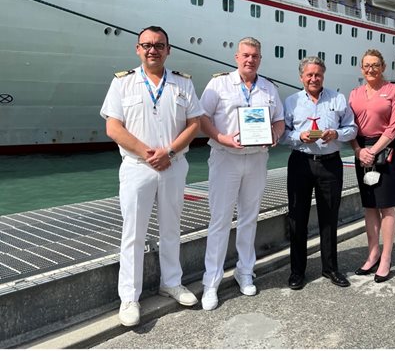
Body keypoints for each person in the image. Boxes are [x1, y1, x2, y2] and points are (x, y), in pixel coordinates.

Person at [100, 26, 202, 327]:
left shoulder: (183, 84)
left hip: (172, 165)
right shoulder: (123, 83)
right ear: (137, 49)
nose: (152, 50)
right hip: (137, 167)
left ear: (168, 50)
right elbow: (113, 128)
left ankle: (171, 282)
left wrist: (168, 152)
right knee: (133, 233)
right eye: (146, 45)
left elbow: (194, 123)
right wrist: (149, 153)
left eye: (159, 45)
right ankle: (129, 297)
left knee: (172, 227)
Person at [198, 37, 284, 310]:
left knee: (250, 218)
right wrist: (222, 138)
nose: (250, 60)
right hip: (226, 158)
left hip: (257, 159)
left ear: (260, 59)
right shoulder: (218, 84)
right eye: (245, 55)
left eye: (255, 56)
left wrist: (275, 135)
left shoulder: (268, 88)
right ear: (236, 57)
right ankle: (211, 282)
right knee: (220, 220)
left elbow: (279, 120)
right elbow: (202, 118)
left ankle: (244, 271)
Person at [281, 56, 357, 290]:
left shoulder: (338, 98)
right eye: (309, 75)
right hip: (301, 163)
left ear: (323, 76)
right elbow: (282, 133)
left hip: (330, 163)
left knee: (329, 217)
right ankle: (297, 272)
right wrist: (298, 136)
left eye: (318, 75)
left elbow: (352, 128)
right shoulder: (291, 101)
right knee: (297, 218)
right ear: (301, 77)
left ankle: (330, 268)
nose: (314, 79)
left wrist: (337, 134)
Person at [348, 49, 395, 283]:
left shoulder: (394, 91)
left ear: (382, 67)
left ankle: (386, 258)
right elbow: (349, 126)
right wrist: (358, 150)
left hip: (386, 149)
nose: (370, 69)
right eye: (366, 66)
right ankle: (373, 253)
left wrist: (373, 150)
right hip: (362, 151)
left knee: (387, 207)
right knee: (369, 206)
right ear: (361, 69)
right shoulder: (355, 93)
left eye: (375, 65)